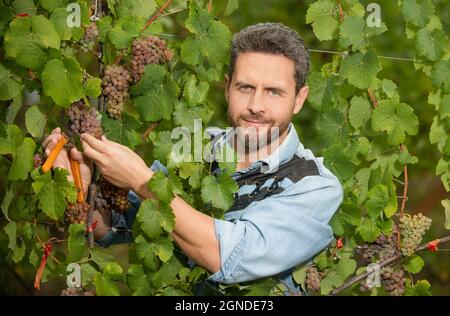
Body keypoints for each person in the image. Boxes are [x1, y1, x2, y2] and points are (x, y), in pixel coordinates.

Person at [43, 22, 343, 295]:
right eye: (246, 87)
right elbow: (113, 229)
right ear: (227, 88)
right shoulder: (194, 149)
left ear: (299, 99)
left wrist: (142, 181)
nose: (255, 105)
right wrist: (80, 188)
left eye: (274, 92)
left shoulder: (315, 186)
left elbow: (230, 258)